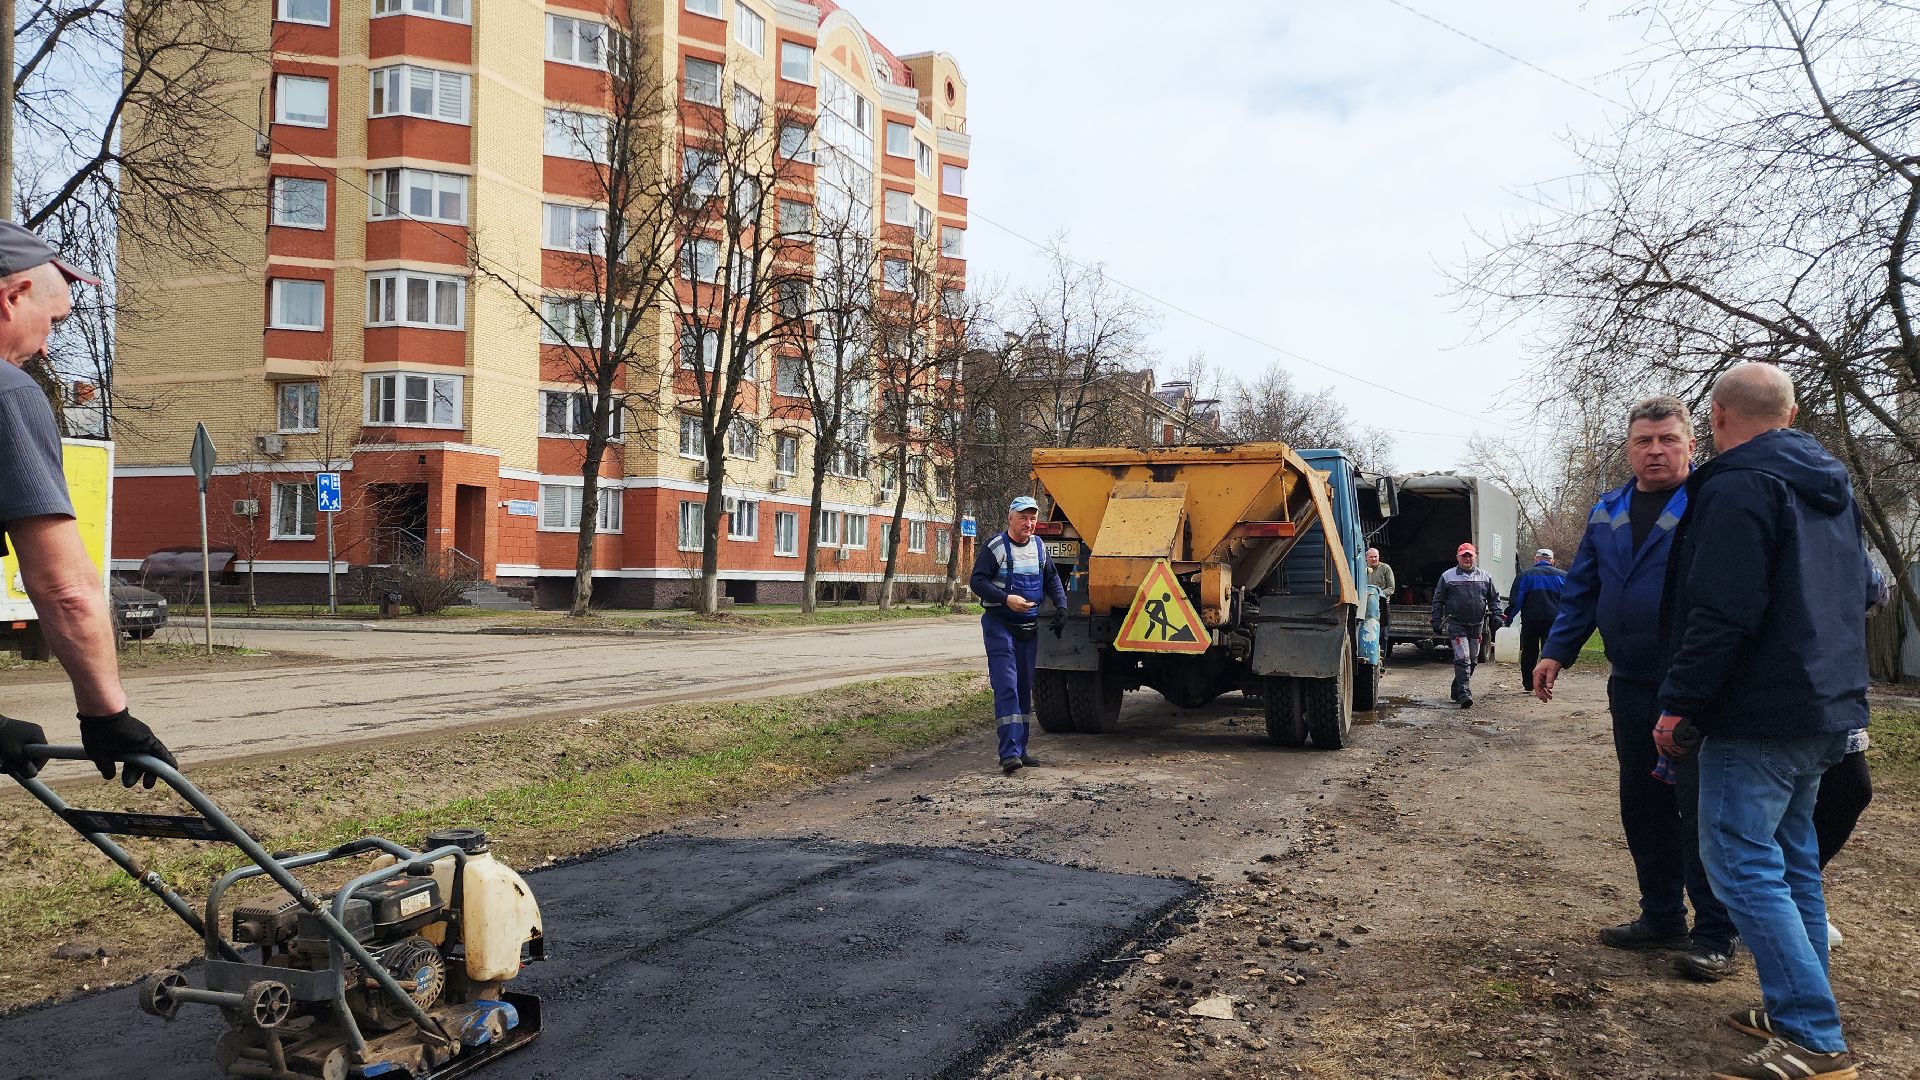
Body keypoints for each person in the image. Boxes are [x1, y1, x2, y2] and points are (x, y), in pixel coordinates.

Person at [1656, 364, 1870, 1080]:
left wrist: (1681, 702)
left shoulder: (1740, 486)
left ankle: (1811, 1032)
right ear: (1793, 412)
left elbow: (1722, 611)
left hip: (1758, 714)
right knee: (1793, 860)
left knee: (1740, 864)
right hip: (1824, 708)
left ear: (1716, 418)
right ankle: (1799, 1011)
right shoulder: (1831, 488)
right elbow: (1861, 592)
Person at [1534, 395, 1737, 981]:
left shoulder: (1712, 501)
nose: (1655, 451)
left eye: (1668, 439)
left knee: (1699, 808)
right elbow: (1584, 590)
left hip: (1695, 684)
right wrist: (1555, 651)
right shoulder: (1608, 510)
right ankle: (1661, 915)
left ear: (1691, 445)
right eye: (1644, 441)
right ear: (1628, 448)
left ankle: (1717, 934)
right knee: (1642, 801)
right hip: (1631, 682)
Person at [0, 221, 175, 789]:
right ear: (11, 297)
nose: (48, 346)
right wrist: (107, 716)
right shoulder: (8, 393)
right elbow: (66, 589)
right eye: (52, 324)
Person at [969, 496, 1067, 776]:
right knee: (1007, 686)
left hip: (1028, 629)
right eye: (1023, 517)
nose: (1029, 523)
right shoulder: (996, 546)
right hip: (1000, 625)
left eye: (1033, 518)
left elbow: (1051, 579)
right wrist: (1005, 599)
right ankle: (1009, 753)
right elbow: (977, 581)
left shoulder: (1039, 547)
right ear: (1010, 518)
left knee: (1024, 688)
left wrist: (1061, 606)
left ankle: (1021, 749)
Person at [1429, 542, 1501, 708]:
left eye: (1470, 555)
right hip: (1456, 624)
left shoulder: (1485, 576)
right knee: (1463, 658)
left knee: (1473, 660)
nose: (1467, 558)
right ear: (1458, 558)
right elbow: (1438, 600)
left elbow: (1494, 599)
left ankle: (1456, 688)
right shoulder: (1447, 577)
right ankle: (1464, 694)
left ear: (1475, 556)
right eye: (1464, 556)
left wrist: (1497, 616)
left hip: (1477, 625)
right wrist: (1436, 620)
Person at [1505, 548, 1566, 692]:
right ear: (1552, 561)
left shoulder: (1525, 575)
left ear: (1536, 559)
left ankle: (1528, 683)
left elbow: (1516, 600)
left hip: (1530, 621)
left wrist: (1507, 619)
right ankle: (1545, 682)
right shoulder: (1564, 577)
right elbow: (1570, 601)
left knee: (1529, 652)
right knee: (1549, 652)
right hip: (1553, 621)